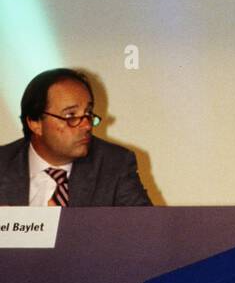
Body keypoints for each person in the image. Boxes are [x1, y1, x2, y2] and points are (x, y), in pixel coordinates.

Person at [0, 68, 152, 206]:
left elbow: (147, 230)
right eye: (70, 116)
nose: (86, 125)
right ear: (35, 123)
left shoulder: (114, 164)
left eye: (88, 113)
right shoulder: (4, 163)